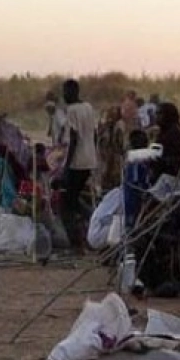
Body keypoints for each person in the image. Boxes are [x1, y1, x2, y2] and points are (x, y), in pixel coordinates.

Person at [58, 79, 99, 254]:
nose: (64, 96)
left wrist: (66, 167)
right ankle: (93, 219)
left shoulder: (72, 110)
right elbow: (94, 133)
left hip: (77, 163)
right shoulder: (88, 107)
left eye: (65, 92)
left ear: (72, 92)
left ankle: (77, 244)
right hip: (89, 161)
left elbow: (74, 139)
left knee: (65, 204)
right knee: (74, 200)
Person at [155, 102, 180, 178]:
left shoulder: (174, 134)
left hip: (171, 178)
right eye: (156, 114)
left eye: (159, 114)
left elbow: (175, 159)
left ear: (168, 115)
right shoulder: (163, 132)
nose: (156, 117)